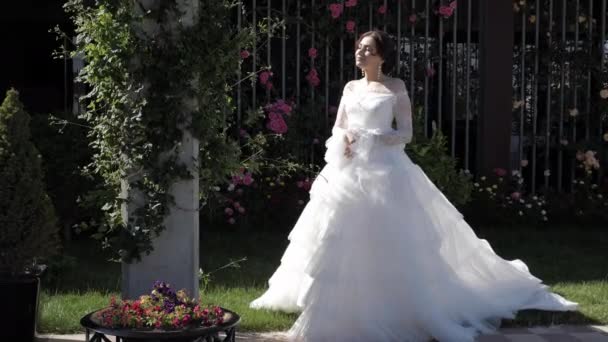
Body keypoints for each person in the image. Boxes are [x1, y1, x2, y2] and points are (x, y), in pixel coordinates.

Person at [249, 30, 578, 342]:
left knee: (391, 237)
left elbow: (404, 133)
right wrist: (345, 139)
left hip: (385, 171)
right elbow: (339, 126)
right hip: (348, 172)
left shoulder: (395, 87)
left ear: (381, 57)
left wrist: (372, 137)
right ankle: (335, 300)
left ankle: (391, 300)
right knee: (335, 233)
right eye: (359, 48)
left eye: (367, 49)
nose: (360, 53)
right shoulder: (350, 87)